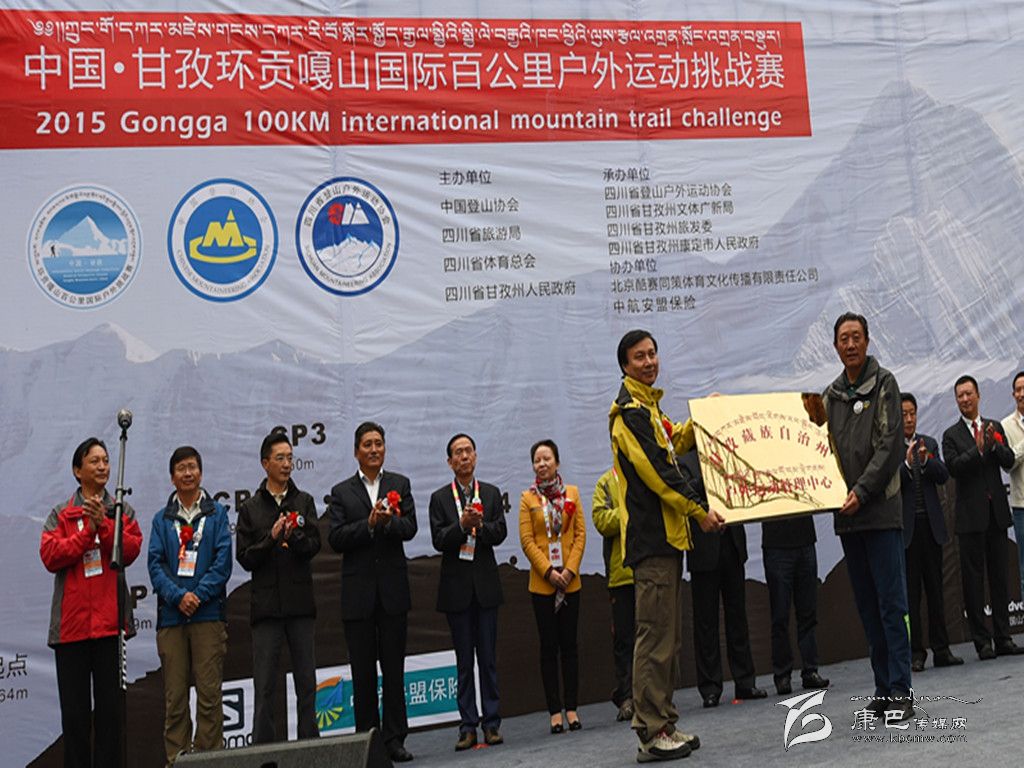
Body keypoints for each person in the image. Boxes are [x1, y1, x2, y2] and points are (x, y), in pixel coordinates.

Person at [609, 329, 724, 762]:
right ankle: (651, 731)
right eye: (640, 357)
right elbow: (660, 473)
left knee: (667, 640)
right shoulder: (629, 414)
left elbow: (674, 444)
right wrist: (699, 510)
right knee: (654, 638)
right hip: (651, 540)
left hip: (668, 541)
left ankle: (664, 722)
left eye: (653, 353)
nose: (649, 362)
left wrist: (704, 417)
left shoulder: (650, 410)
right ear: (625, 365)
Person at [822, 312, 913, 722]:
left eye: (856, 336)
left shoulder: (885, 384)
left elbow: (890, 446)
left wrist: (861, 491)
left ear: (867, 340)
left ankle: (901, 690)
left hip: (880, 511)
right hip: (848, 517)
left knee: (893, 605)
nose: (850, 344)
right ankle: (882, 687)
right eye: (844, 338)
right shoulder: (829, 397)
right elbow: (819, 454)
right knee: (868, 608)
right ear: (835, 346)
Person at [41, 437, 142, 768]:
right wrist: (88, 531)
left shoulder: (121, 510)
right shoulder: (61, 514)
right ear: (77, 470)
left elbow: (130, 550)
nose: (102, 467)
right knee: (75, 717)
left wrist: (106, 524)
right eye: (94, 461)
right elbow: (51, 556)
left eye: (106, 461)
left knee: (111, 716)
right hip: (71, 631)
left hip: (110, 627)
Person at [326, 422, 417, 763]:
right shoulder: (342, 492)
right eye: (367, 444)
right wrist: (368, 524)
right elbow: (336, 538)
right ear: (356, 452)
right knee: (362, 673)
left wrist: (388, 522)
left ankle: (395, 739)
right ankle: (368, 741)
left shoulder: (399, 484)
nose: (374, 449)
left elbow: (410, 527)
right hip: (358, 596)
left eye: (379, 443)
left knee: (394, 671)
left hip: (393, 592)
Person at [148, 446, 233, 766]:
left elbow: (222, 562)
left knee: (209, 698)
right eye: (181, 468)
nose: (187, 473)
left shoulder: (217, 514)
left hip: (208, 615)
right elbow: (155, 565)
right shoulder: (161, 519)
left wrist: (197, 594)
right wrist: (178, 596)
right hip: (172, 619)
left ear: (201, 472)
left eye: (192, 467)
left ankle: (209, 762)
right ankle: (177, 761)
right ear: (172, 477)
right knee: (175, 701)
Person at [236, 432, 321, 744]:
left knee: (306, 682)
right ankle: (264, 750)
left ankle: (310, 747)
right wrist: (271, 538)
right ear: (265, 463)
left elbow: (313, 546)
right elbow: (245, 558)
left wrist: (292, 536)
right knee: (265, 686)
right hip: (267, 608)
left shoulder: (304, 501)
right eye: (280, 458)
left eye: (290, 458)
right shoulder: (250, 508)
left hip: (300, 605)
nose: (287, 464)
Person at [428, 433, 508, 750]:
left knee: (488, 660)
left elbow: (500, 532)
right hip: (456, 590)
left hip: (485, 588)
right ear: (450, 462)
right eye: (458, 453)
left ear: (475, 456)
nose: (464, 456)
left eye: (468, 451)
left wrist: (480, 526)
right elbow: (438, 539)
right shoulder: (439, 498)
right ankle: (467, 726)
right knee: (464, 662)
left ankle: (492, 723)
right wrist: (462, 525)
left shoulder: (489, 493)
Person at [942, 375, 1021, 658]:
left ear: (978, 396)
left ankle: (1003, 637)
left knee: (1000, 578)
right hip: (970, 519)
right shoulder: (951, 435)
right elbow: (954, 468)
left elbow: (1008, 461)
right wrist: (977, 449)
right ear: (957, 400)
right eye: (960, 395)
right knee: (973, 582)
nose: (965, 399)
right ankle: (982, 641)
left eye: (969, 394)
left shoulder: (994, 427)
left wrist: (994, 445)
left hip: (996, 515)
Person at [680, 448, 766, 708]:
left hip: (732, 545)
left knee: (737, 616)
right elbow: (687, 494)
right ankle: (710, 688)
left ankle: (745, 681)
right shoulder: (685, 460)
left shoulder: (729, 453)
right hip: (704, 550)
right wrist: (711, 473)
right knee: (705, 623)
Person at [519, 439, 586, 735]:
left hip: (571, 583)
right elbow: (527, 541)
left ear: (557, 462)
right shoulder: (527, 498)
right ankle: (554, 712)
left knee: (570, 646)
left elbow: (580, 535)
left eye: (547, 458)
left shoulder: (572, 493)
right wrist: (549, 572)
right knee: (548, 648)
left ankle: (572, 708)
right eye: (537, 460)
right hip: (542, 586)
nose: (542, 463)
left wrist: (568, 570)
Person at [900, 393, 962, 671]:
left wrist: (925, 461)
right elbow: (891, 482)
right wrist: (906, 463)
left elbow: (943, 475)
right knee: (911, 595)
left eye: (912, 413)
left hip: (932, 528)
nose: (909, 419)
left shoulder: (929, 443)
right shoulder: (891, 448)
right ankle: (916, 653)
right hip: (907, 531)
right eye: (904, 414)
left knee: (936, 591)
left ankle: (942, 649)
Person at [761, 515, 829, 695]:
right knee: (780, 615)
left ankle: (810, 669)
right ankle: (782, 675)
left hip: (805, 540)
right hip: (776, 544)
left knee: (808, 612)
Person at [591, 467, 635, 722]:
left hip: (650, 569)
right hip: (621, 575)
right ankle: (626, 697)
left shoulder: (646, 472)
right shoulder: (606, 482)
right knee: (624, 640)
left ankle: (652, 695)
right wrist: (629, 511)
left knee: (653, 638)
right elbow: (601, 520)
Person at [1000, 370, 1024, 601]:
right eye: (1018, 389)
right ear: (1013, 394)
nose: (1021, 393)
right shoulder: (1006, 425)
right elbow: (1008, 463)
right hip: (1021, 506)